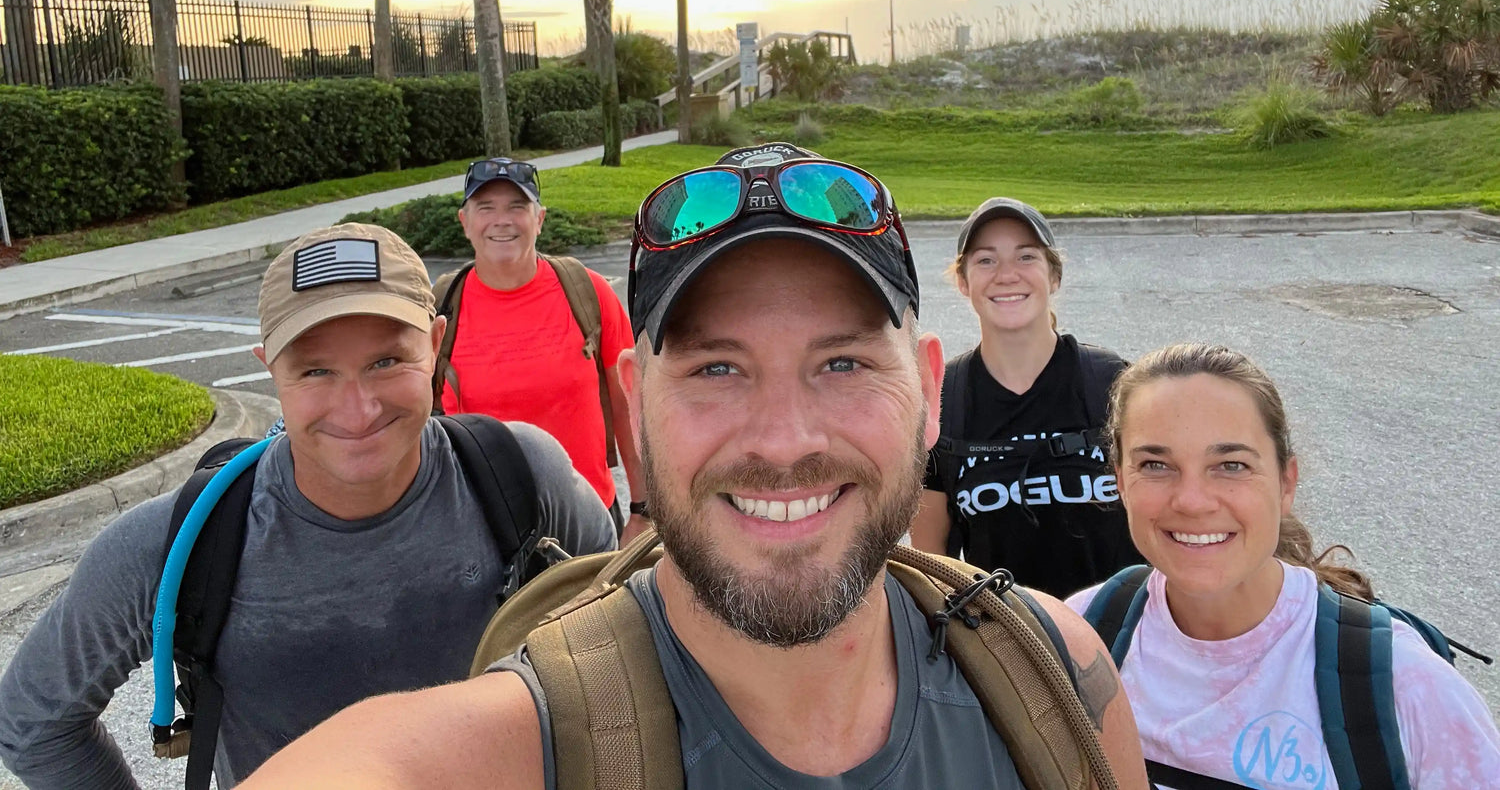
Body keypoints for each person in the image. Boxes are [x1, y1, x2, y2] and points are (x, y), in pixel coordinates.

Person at [240, 143, 1149, 790]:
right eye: (717, 368)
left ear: (926, 393)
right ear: (637, 400)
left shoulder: (1051, 678)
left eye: (842, 363)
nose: (785, 440)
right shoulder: (527, 742)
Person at [0, 222, 616, 790]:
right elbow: (33, 722)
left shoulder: (522, 479)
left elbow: (628, 639)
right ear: (270, 371)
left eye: (386, 360)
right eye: (316, 371)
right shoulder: (178, 543)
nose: (359, 409)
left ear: (435, 344)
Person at [1067, 342, 1500, 790]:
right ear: (1120, 482)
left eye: (1230, 465)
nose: (1192, 501)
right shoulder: (1080, 635)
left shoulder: (1404, 685)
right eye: (1156, 464)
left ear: (1285, 482)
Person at [910, 197, 1139, 599]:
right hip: (1005, 648)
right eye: (985, 260)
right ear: (963, 282)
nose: (1006, 275)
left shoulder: (1111, 381)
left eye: (1026, 256)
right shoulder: (944, 399)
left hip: (1122, 637)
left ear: (1053, 277)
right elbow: (933, 566)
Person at [438, 156, 645, 537]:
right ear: (465, 222)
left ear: (540, 219)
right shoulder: (439, 309)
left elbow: (629, 406)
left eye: (517, 207)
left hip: (588, 520)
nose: (503, 220)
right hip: (483, 531)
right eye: (486, 208)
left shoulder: (588, 293)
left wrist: (643, 511)